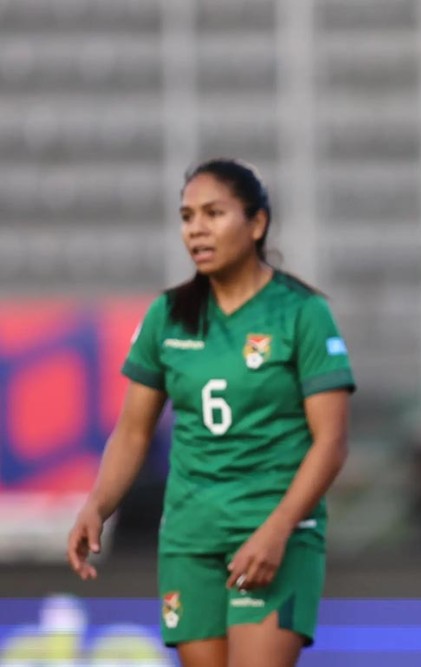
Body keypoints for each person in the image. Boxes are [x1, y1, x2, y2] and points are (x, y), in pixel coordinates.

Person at [67, 158, 356, 667]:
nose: (196, 228)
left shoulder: (302, 313)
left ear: (257, 223)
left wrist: (277, 529)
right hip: (190, 535)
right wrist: (97, 505)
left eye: (213, 213)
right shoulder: (167, 316)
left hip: (273, 530)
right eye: (187, 216)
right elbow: (133, 432)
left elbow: (330, 442)